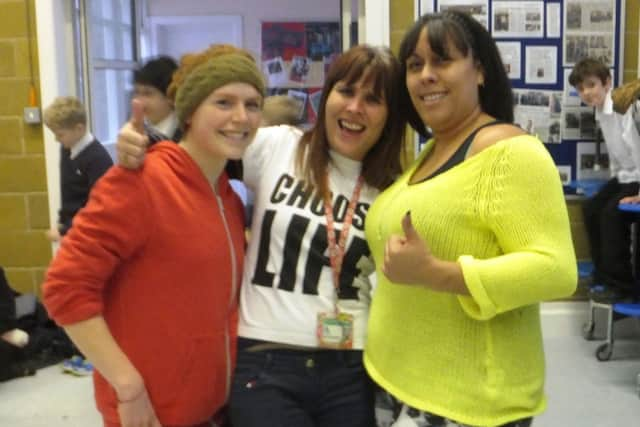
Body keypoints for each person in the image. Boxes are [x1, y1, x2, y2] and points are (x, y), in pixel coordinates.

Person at [116, 44, 406, 427]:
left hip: (349, 368)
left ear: (389, 115)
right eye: (347, 91)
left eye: (373, 99)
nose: (355, 107)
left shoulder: (393, 189)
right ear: (327, 95)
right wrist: (141, 144)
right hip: (267, 360)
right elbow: (196, 153)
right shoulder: (279, 146)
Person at [363, 11, 577, 427]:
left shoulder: (511, 152)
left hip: (462, 403)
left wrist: (436, 274)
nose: (425, 75)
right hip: (395, 380)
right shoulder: (432, 152)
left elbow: (557, 270)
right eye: (414, 65)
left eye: (442, 60)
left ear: (479, 70)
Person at [42, 45, 265, 427]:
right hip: (151, 413)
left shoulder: (226, 196)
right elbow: (64, 288)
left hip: (211, 407)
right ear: (191, 111)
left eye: (253, 103)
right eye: (224, 102)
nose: (241, 117)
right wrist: (126, 386)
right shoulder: (141, 181)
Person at [569, 57, 640, 299]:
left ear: (607, 83)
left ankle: (621, 286)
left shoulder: (622, 107)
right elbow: (617, 153)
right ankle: (603, 274)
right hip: (625, 176)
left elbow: (638, 148)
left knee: (611, 215)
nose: (586, 93)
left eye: (591, 85)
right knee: (591, 209)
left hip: (638, 176)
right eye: (581, 89)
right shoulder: (601, 111)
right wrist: (615, 181)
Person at [42, 96, 113, 242]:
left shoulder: (98, 159)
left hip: (91, 234)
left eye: (60, 134)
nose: (56, 139)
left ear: (79, 128)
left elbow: (99, 206)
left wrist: (66, 229)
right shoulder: (67, 148)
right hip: (72, 230)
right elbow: (67, 191)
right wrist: (62, 223)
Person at [133, 55, 181, 143]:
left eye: (147, 94)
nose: (139, 102)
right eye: (137, 92)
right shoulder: (137, 132)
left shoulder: (187, 136)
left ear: (171, 97)